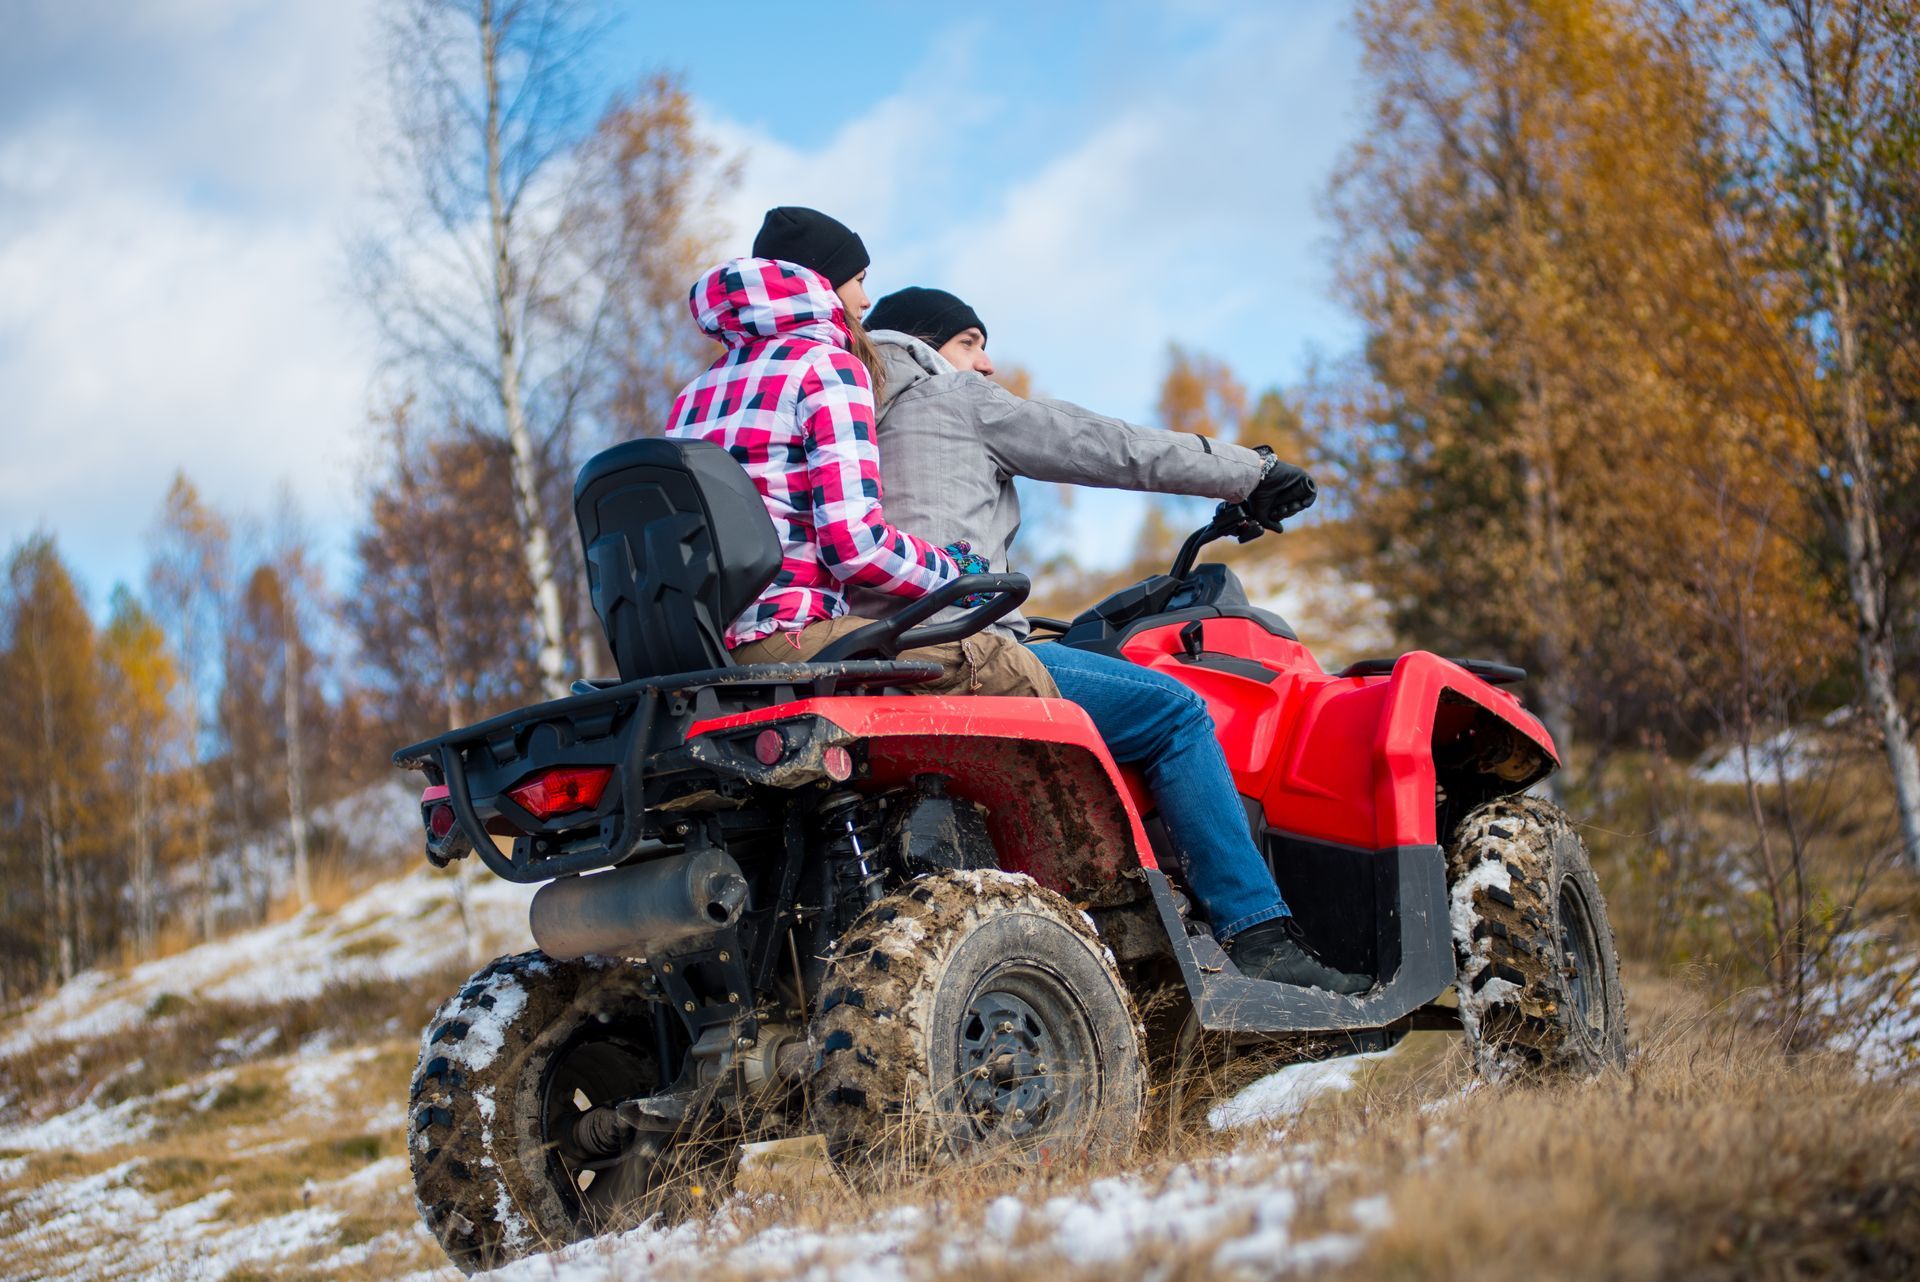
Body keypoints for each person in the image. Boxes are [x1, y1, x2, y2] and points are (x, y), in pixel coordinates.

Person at [855, 286, 1369, 996]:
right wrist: (1251, 473)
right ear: (924, 344)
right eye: (970, 343)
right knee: (1176, 714)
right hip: (966, 643)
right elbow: (1108, 446)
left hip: (853, 659)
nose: (985, 362)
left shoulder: (837, 420)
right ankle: (1259, 934)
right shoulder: (947, 401)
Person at [665, 210, 1057, 699]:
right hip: (785, 637)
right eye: (859, 280)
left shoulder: (696, 391)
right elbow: (854, 548)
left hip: (698, 652)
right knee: (1010, 668)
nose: (866, 301)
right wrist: (957, 571)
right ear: (823, 283)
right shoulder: (827, 368)